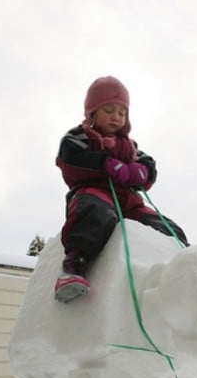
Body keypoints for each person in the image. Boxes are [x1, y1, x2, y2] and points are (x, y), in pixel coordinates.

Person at [54, 76, 189, 302]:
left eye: (121, 113)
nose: (116, 117)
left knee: (162, 224)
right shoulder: (79, 136)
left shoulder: (130, 146)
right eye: (108, 110)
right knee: (94, 212)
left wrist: (142, 171)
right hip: (94, 190)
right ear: (92, 112)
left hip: (128, 200)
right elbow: (70, 156)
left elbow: (149, 163)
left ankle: (185, 261)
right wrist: (103, 163)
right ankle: (75, 264)